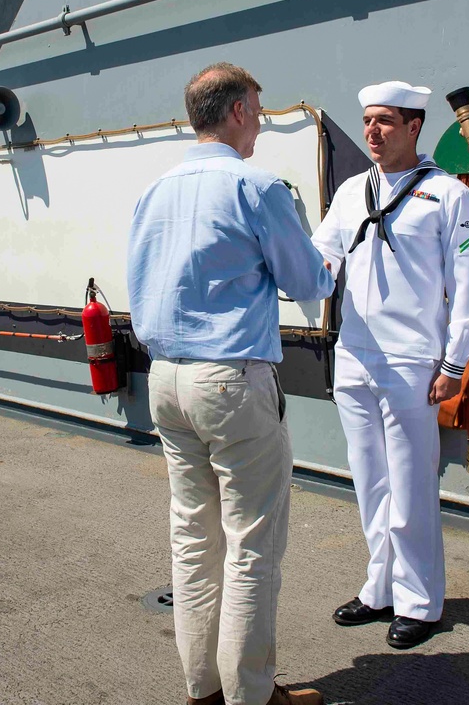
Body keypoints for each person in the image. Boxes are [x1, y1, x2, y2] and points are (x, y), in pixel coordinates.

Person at [128, 63, 334, 705]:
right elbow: (308, 283)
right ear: (239, 111)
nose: (261, 126)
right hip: (231, 381)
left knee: (194, 539)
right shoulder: (256, 184)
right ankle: (252, 696)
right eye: (259, 111)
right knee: (251, 545)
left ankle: (204, 690)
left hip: (166, 379)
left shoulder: (155, 189)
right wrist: (327, 261)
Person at [312, 81, 469, 650]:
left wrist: (456, 364)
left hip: (414, 362)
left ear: (414, 127)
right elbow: (322, 260)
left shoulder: (448, 196)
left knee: (412, 488)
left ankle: (420, 602)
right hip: (354, 357)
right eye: (367, 120)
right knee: (370, 483)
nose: (372, 131)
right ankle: (380, 588)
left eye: (385, 121)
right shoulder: (348, 193)